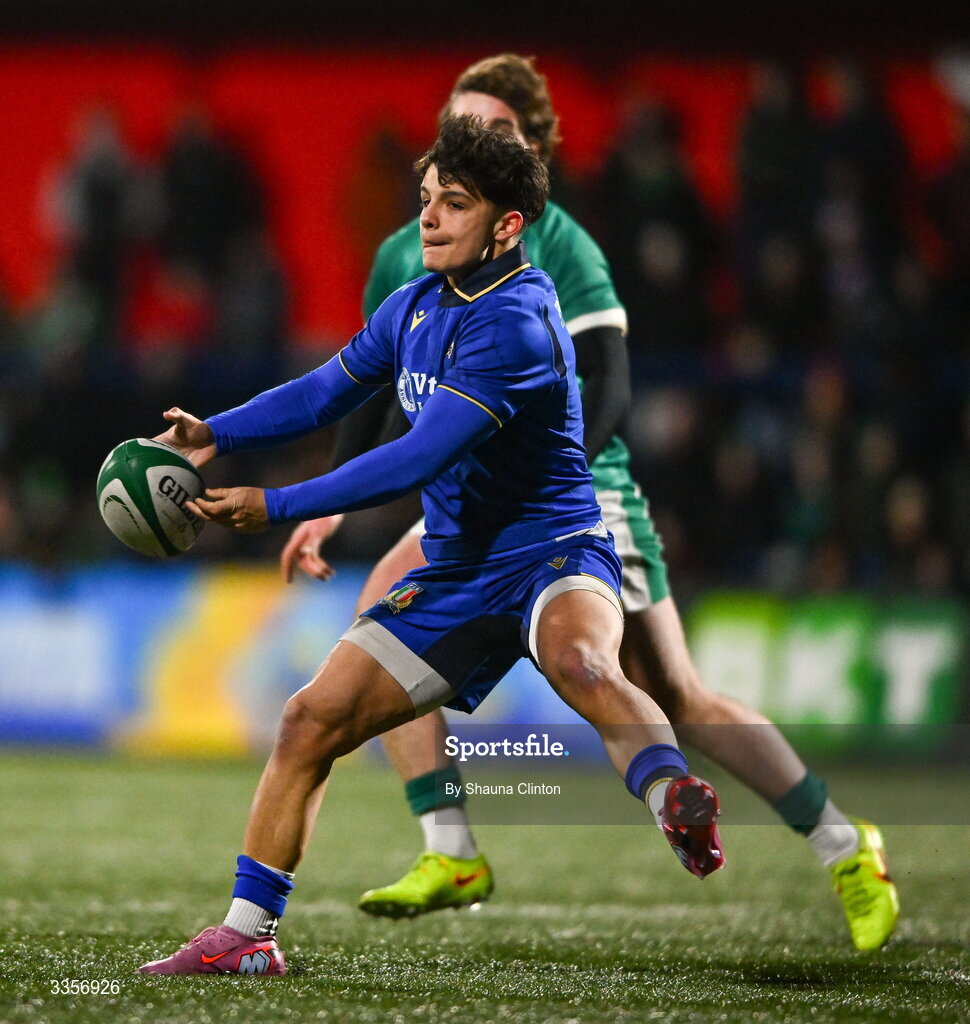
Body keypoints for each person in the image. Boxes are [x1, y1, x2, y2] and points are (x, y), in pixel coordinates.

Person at [281, 55, 899, 951]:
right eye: (456, 129)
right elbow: (374, 386)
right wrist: (328, 505)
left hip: (574, 493)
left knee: (677, 695)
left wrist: (546, 484)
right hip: (474, 496)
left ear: (530, 147)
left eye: (490, 131)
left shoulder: (561, 246)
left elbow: (607, 388)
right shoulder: (405, 252)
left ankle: (846, 843)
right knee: (379, 604)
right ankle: (450, 846)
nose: (466, 148)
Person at [137, 115, 725, 976]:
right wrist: (212, 434)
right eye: (426, 201)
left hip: (551, 552)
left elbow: (415, 456)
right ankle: (247, 936)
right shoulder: (415, 303)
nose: (430, 219)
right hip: (456, 571)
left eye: (455, 203)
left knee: (587, 668)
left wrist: (278, 501)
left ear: (508, 225)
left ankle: (676, 794)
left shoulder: (518, 324)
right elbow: (323, 392)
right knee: (309, 721)